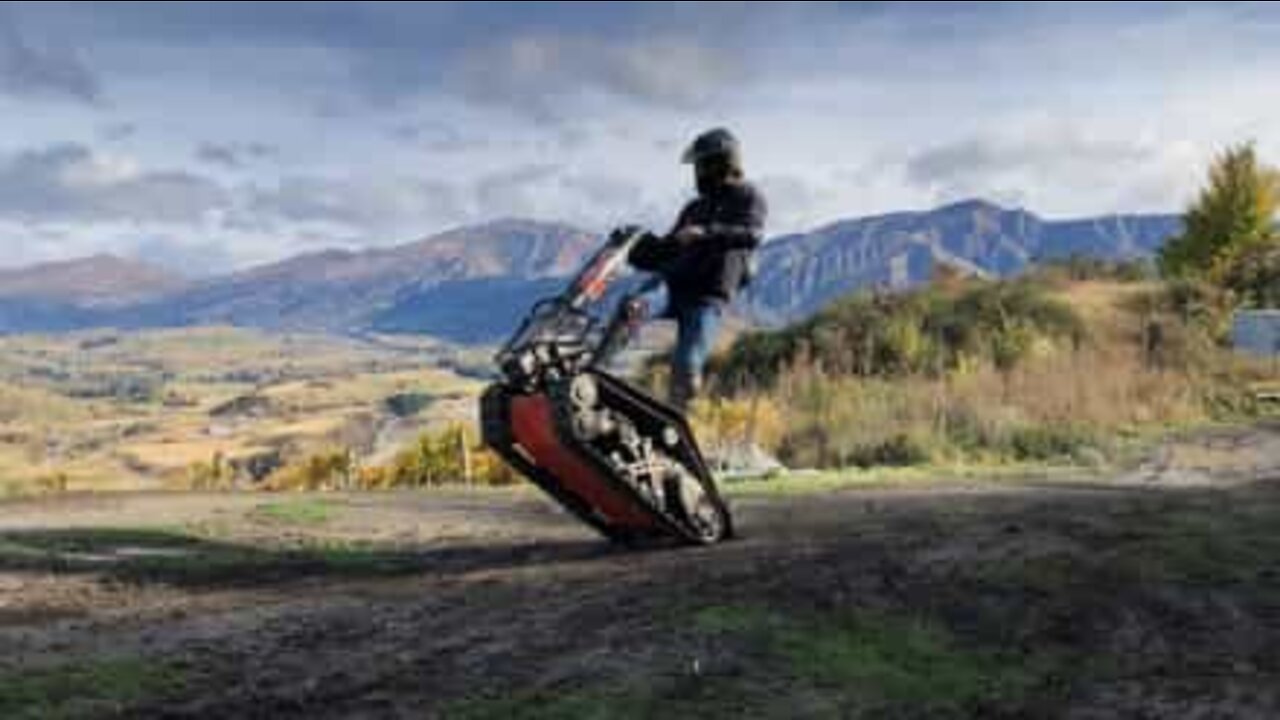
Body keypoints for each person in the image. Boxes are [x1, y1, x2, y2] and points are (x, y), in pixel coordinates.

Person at [628, 127, 768, 411]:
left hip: (708, 296)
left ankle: (682, 424)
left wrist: (706, 232)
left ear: (721, 163)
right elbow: (670, 245)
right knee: (626, 311)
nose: (698, 173)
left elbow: (752, 234)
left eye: (701, 165)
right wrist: (638, 246)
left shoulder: (748, 197)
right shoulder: (694, 207)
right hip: (675, 284)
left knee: (687, 362)